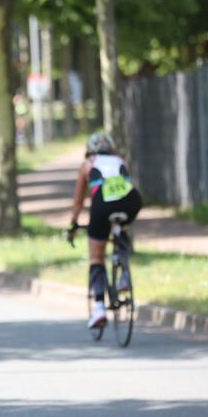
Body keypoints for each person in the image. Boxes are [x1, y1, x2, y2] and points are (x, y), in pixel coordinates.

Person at [67, 132, 143, 329]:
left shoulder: (88, 163)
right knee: (120, 226)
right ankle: (123, 272)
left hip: (102, 203)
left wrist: (73, 225)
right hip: (132, 201)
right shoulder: (119, 160)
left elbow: (78, 202)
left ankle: (99, 307)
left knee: (96, 257)